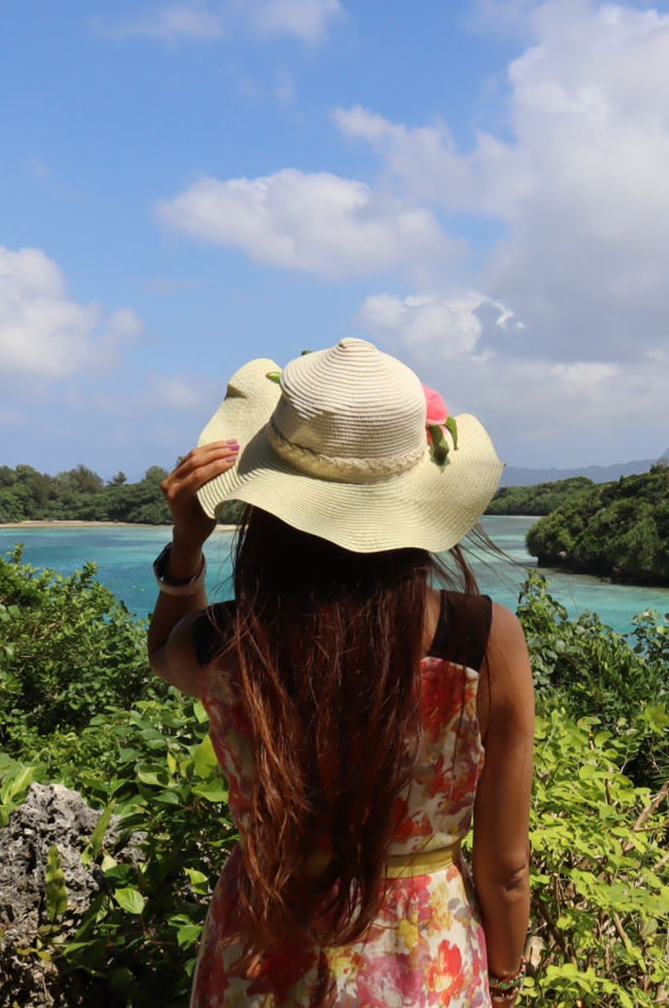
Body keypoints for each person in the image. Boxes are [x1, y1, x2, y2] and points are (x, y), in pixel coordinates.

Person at [145, 338, 533, 1007]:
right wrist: (501, 980)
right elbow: (506, 871)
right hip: (424, 963)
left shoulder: (228, 642)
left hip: (261, 954)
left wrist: (186, 549)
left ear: (271, 505)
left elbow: (165, 654)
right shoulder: (485, 640)